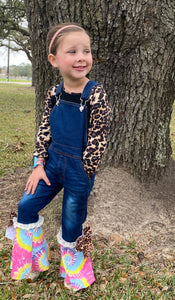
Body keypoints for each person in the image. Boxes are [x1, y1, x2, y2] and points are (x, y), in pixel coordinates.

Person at [7, 23, 110, 291]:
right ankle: (32, 263)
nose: (81, 57)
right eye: (72, 51)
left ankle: (74, 275)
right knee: (26, 206)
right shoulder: (54, 94)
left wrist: (85, 170)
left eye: (85, 51)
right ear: (53, 60)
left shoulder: (96, 94)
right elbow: (44, 130)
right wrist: (38, 164)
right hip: (50, 165)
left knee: (71, 223)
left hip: (78, 169)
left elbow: (99, 137)